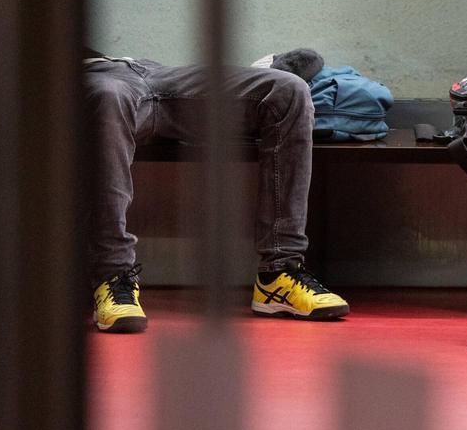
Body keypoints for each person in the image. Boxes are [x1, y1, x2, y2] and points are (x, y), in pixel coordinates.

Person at [83, 49, 348, 332]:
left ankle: (279, 274)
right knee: (108, 97)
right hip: (94, 81)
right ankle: (112, 276)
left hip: (149, 70)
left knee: (288, 88)